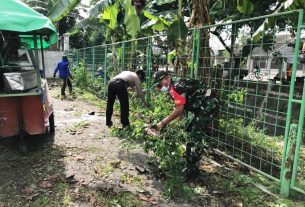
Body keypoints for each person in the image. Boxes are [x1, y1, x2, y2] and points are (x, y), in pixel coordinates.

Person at [147, 70, 219, 178]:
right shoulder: (175, 85)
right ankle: (190, 166)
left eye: (159, 84)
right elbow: (182, 107)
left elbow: (179, 110)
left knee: (193, 137)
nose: (158, 88)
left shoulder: (176, 87)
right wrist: (175, 122)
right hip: (204, 106)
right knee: (189, 132)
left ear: (166, 79)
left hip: (208, 106)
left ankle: (192, 173)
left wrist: (161, 124)